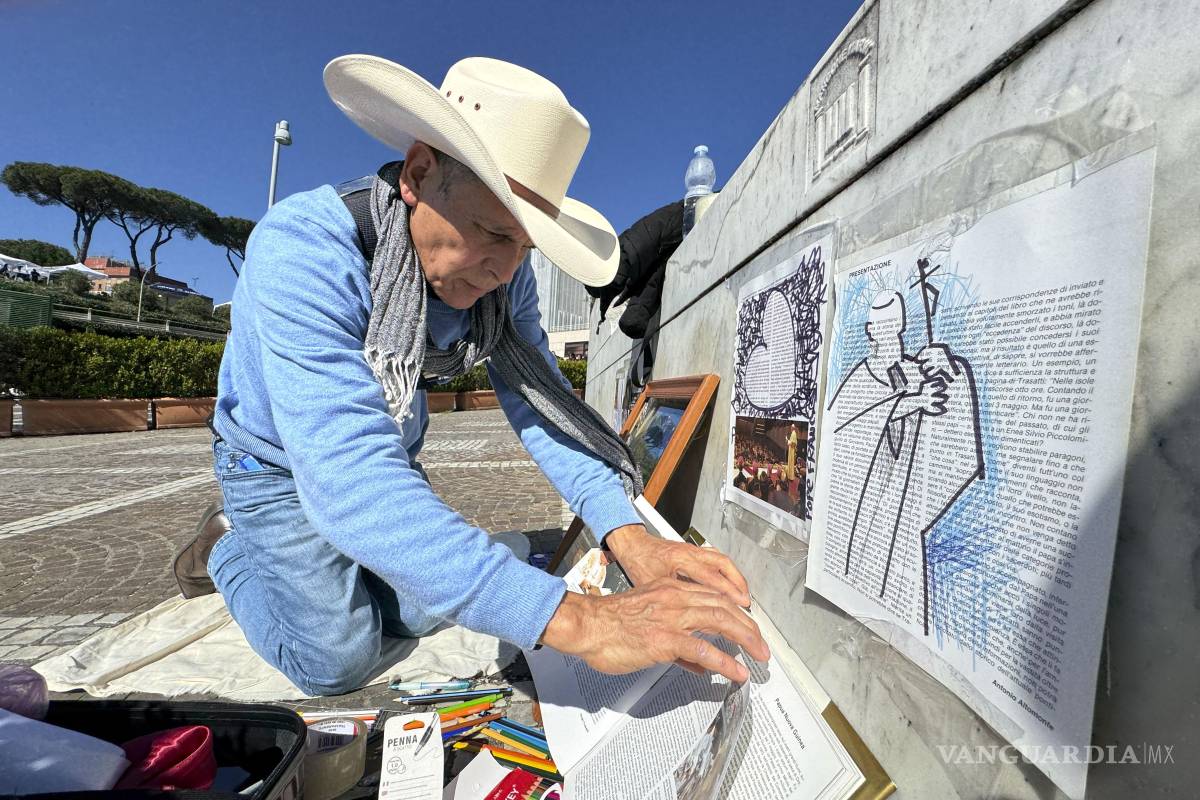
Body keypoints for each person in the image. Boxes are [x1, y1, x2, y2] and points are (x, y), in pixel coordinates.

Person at [175, 55, 768, 696]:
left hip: (386, 457)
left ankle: (356, 570)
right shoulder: (302, 248)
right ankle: (225, 546)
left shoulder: (506, 280)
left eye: (526, 246)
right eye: (492, 232)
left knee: (436, 599)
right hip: (275, 467)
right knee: (338, 659)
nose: (506, 271)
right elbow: (349, 480)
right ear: (419, 174)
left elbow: (544, 404)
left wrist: (628, 536)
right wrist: (583, 622)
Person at [825, 290, 983, 633]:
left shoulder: (916, 372)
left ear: (901, 325)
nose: (886, 332)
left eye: (893, 323)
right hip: (867, 512)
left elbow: (952, 434)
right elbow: (845, 428)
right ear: (869, 330)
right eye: (879, 325)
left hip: (904, 511)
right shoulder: (861, 378)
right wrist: (911, 403)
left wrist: (952, 371)